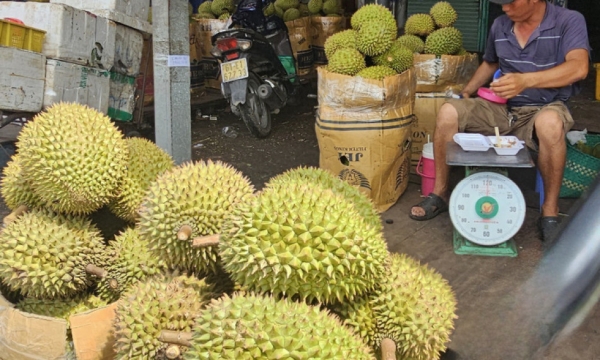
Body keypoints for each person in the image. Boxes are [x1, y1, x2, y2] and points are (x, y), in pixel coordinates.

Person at [408, 0, 590, 241]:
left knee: (550, 124)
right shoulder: (500, 25)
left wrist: (525, 81)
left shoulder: (568, 21)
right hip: (502, 108)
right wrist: (467, 91)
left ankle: (549, 211)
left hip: (544, 107)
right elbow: (491, 62)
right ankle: (440, 194)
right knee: (448, 112)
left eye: (510, 2)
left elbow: (579, 68)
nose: (505, 7)